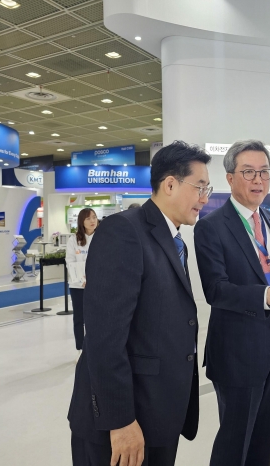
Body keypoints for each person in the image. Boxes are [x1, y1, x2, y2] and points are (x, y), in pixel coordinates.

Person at [68, 141, 210, 466]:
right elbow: (105, 337)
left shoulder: (172, 239)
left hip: (158, 413)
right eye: (199, 187)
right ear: (170, 184)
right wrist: (120, 420)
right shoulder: (124, 232)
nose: (205, 197)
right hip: (122, 422)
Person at [195, 140, 270, 466]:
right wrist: (268, 296)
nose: (258, 180)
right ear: (230, 178)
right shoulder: (211, 227)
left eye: (264, 172)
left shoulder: (269, 219)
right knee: (235, 441)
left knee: (263, 436)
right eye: (248, 172)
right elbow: (215, 289)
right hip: (237, 351)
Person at [66, 208, 97, 351]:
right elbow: (70, 261)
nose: (92, 221)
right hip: (77, 286)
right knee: (79, 318)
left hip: (97, 285)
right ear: (81, 221)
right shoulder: (73, 239)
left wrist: (92, 278)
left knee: (95, 318)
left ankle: (94, 349)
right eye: (88, 218)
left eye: (94, 217)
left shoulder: (101, 237)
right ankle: (80, 349)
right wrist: (81, 278)